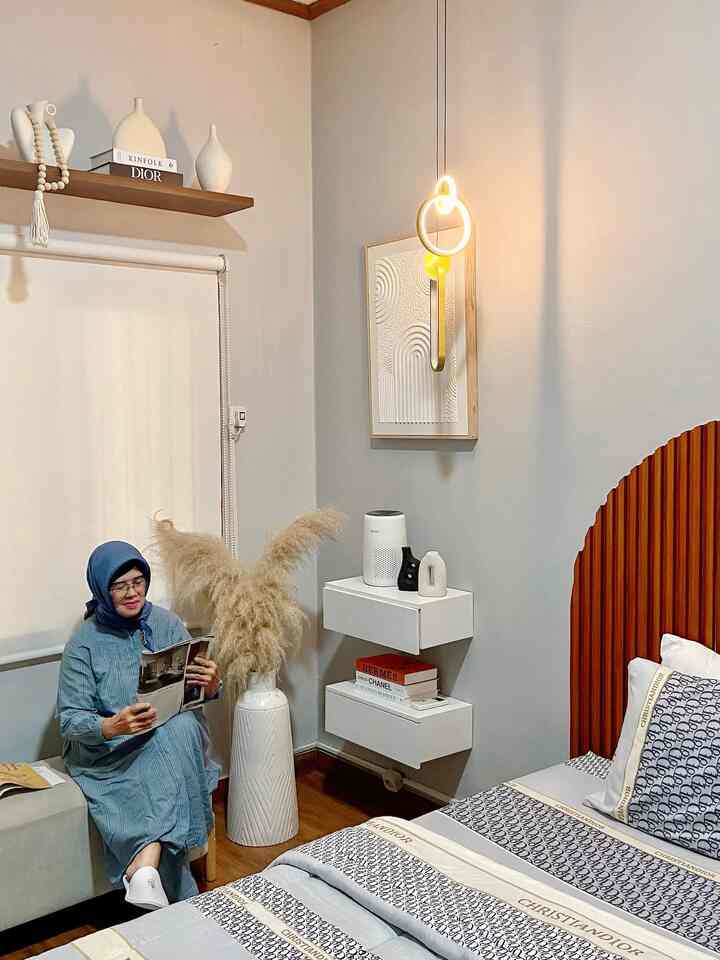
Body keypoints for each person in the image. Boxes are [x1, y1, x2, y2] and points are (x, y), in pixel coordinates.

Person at [56, 541, 222, 909]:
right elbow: (70, 720)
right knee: (169, 749)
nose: (132, 593)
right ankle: (170, 893)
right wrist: (113, 726)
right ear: (101, 588)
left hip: (165, 731)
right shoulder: (83, 644)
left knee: (178, 731)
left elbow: (191, 692)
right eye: (120, 586)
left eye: (138, 582)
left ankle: (144, 870)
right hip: (109, 748)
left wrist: (211, 685)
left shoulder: (165, 622)